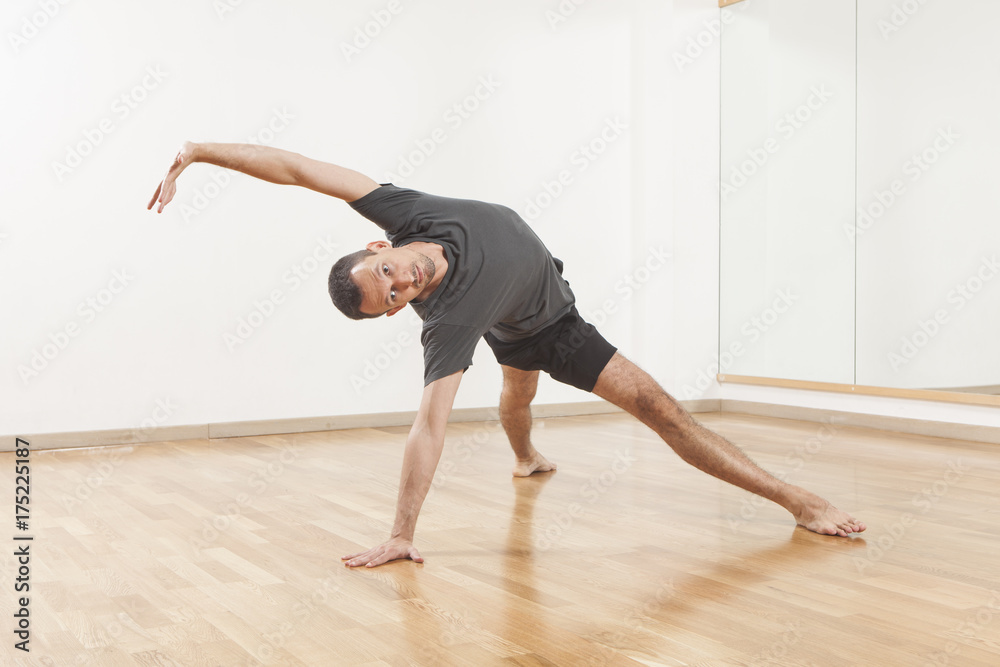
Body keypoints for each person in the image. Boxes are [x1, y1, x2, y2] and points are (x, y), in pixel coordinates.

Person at [149, 142, 867, 568]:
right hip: (545, 329)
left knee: (522, 401)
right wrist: (401, 534)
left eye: (389, 276)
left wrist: (198, 151)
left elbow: (300, 169)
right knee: (652, 406)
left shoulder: (403, 210)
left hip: (542, 297)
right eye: (391, 300)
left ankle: (525, 457)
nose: (402, 287)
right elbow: (428, 427)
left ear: (380, 247)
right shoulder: (449, 322)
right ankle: (800, 502)